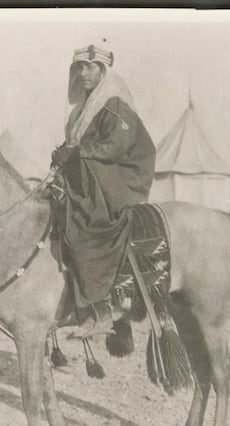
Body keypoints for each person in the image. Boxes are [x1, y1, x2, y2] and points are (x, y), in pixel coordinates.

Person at [51, 44, 156, 338]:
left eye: (90, 67)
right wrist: (64, 154)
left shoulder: (114, 102)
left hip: (123, 174)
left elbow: (115, 147)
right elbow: (82, 149)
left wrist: (75, 153)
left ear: (103, 69)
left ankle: (100, 305)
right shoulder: (86, 106)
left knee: (81, 219)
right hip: (98, 170)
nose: (83, 73)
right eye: (79, 68)